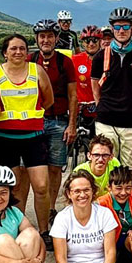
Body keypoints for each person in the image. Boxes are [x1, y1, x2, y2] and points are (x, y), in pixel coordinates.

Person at [0, 35, 54, 235]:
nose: (18, 52)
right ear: (5, 52)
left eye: (22, 48)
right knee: (14, 187)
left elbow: (49, 100)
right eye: (13, 48)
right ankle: (18, 230)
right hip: (4, 138)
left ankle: (44, 231)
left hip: (34, 137)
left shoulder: (37, 71)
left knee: (41, 186)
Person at [92, 7, 132, 179]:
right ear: (112, 29)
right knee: (105, 167)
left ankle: (129, 197)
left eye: (125, 26)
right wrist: (102, 107)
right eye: (117, 27)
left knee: (130, 169)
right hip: (106, 120)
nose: (121, 31)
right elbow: (95, 88)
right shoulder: (100, 57)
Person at [31, 19, 79, 225]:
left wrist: (72, 125)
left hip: (58, 119)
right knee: (28, 168)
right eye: (42, 36)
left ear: (57, 38)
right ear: (36, 39)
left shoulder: (64, 62)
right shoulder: (29, 60)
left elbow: (73, 95)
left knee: (55, 167)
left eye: (50, 36)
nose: (46, 40)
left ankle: (50, 208)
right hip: (33, 121)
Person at [70, 25, 104, 137]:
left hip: (101, 110)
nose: (91, 44)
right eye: (87, 41)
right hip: (80, 111)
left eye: (95, 40)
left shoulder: (107, 59)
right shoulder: (75, 60)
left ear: (100, 41)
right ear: (83, 43)